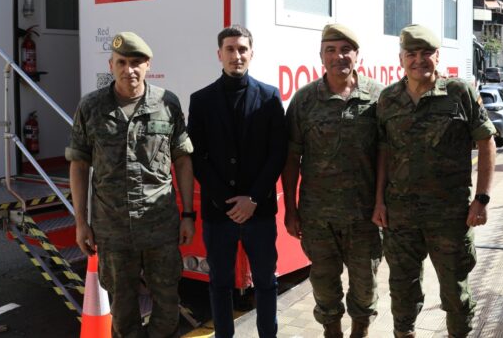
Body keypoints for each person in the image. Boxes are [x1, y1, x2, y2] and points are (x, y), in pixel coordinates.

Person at [66, 31, 195, 338]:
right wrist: (81, 223)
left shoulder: (167, 103)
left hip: (160, 227)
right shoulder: (91, 107)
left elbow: (183, 160)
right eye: (122, 62)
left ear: (148, 65)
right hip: (112, 230)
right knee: (122, 312)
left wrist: (189, 214)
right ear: (111, 65)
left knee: (167, 304)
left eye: (136, 62)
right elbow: (79, 164)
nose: (129, 70)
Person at [373, 25, 497, 338]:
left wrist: (481, 199)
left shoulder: (459, 92)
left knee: (455, 294)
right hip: (400, 218)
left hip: (450, 216)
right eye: (411, 54)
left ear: (437, 56)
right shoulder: (388, 100)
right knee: (402, 293)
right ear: (401, 58)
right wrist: (378, 202)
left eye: (425, 53)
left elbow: (486, 142)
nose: (419, 60)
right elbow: (383, 152)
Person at [283, 24, 384, 338]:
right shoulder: (304, 101)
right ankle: (332, 333)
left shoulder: (379, 97)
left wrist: (381, 202)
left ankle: (360, 333)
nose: (338, 56)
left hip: (364, 216)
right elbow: (291, 159)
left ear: (357, 55)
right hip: (318, 217)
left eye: (345, 49)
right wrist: (290, 208)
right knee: (325, 287)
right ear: (321, 57)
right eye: (331, 50)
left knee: (365, 287)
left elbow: (387, 156)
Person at [188, 25, 286, 338]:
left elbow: (277, 153)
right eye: (230, 49)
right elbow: (197, 156)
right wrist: (225, 201)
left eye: (242, 49)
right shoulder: (201, 100)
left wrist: (253, 198)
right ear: (219, 55)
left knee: (266, 282)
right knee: (219, 284)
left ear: (251, 54)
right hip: (220, 214)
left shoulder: (270, 97)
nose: (236, 55)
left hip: (259, 212)